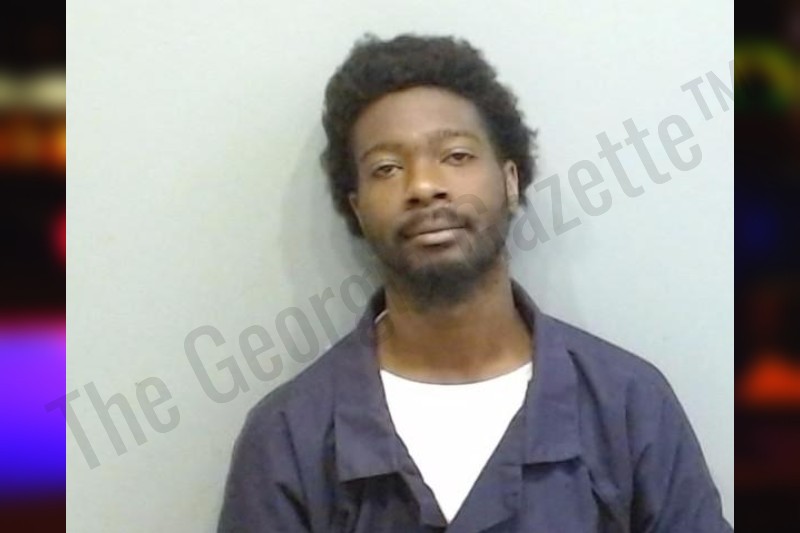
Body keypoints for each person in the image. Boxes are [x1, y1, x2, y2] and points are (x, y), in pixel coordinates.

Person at [218, 33, 732, 532]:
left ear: (509, 180)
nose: (424, 186)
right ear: (356, 207)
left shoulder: (628, 406)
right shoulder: (289, 437)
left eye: (456, 156)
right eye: (387, 168)